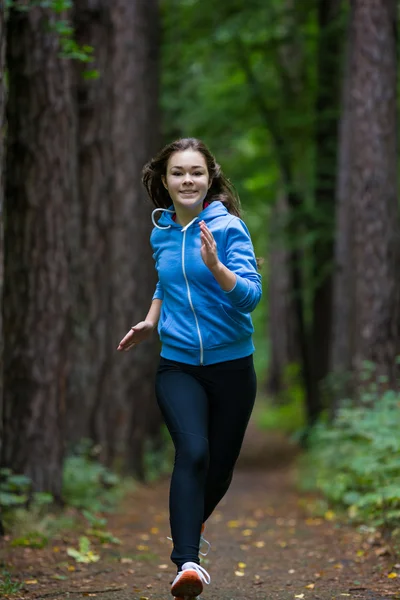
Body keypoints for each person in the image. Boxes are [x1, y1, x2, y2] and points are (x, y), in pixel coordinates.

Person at [117, 138, 262, 599]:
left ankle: (189, 518)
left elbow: (250, 297)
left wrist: (217, 266)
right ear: (164, 180)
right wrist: (151, 320)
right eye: (178, 172)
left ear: (210, 178)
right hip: (177, 365)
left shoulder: (228, 228)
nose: (187, 180)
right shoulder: (161, 230)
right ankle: (188, 563)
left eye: (196, 172)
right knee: (192, 453)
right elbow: (165, 279)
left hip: (232, 367)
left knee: (219, 468)